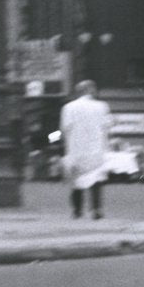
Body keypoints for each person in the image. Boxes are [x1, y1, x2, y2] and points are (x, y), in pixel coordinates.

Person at [60, 79, 112, 219]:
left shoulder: (69, 107)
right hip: (96, 147)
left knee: (77, 181)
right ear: (91, 91)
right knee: (96, 179)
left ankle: (77, 210)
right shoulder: (102, 106)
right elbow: (107, 125)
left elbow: (65, 128)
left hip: (76, 148)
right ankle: (96, 209)